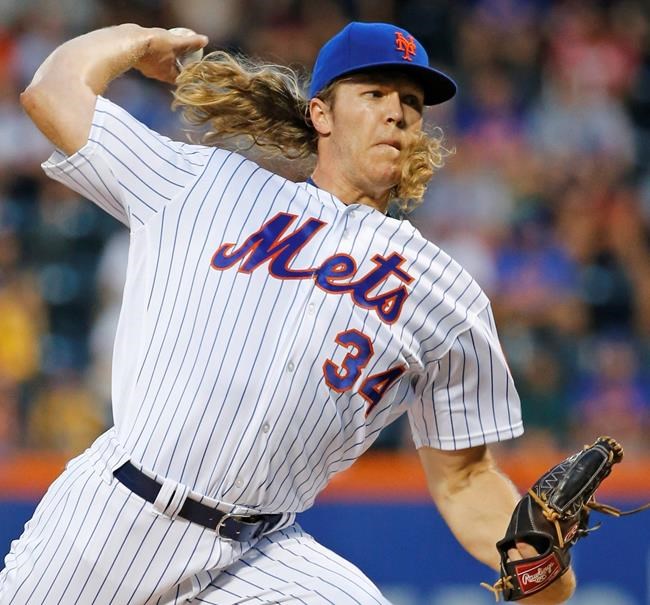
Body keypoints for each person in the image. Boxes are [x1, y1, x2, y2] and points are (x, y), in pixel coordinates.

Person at [2, 21, 575, 604]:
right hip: (117, 517)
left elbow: (465, 478)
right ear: (321, 115)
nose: (397, 113)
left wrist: (536, 562)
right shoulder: (207, 184)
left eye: (411, 102)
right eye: (374, 93)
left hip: (261, 552)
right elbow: (52, 93)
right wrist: (135, 40)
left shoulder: (448, 296)